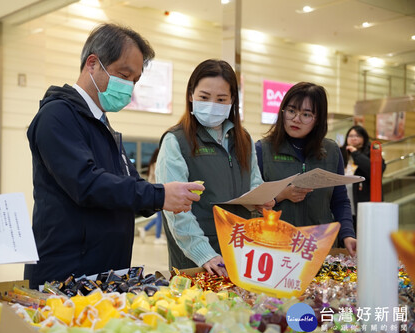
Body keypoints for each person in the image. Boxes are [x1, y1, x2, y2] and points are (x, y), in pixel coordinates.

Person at [24, 23, 204, 289]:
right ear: (92, 63)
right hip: (66, 275)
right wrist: (160, 195)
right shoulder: (57, 116)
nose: (129, 86)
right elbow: (86, 183)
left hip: (104, 273)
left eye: (135, 80)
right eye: (123, 74)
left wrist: (167, 194)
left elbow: (128, 184)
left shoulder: (104, 127)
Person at [155, 59, 274, 276]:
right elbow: (176, 211)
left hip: (242, 250)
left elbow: (255, 182)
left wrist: (263, 201)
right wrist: (205, 254)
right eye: (204, 97)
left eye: (221, 99)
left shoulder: (243, 139)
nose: (212, 105)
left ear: (232, 101)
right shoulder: (176, 141)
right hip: (198, 259)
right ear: (191, 95)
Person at [255, 82, 357, 256]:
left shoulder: (331, 151)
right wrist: (282, 194)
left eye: (306, 114)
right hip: (276, 248)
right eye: (291, 111)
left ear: (317, 120)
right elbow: (252, 202)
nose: (296, 119)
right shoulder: (262, 149)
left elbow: (340, 201)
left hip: (320, 247)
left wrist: (347, 234)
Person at [341, 125, 386, 229]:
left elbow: (376, 171)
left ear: (364, 138)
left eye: (357, 135)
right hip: (344, 204)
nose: (353, 138)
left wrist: (355, 153)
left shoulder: (372, 153)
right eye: (350, 135)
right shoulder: (341, 153)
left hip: (363, 205)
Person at [139, 148, 165, 244]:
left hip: (153, 190)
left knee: (159, 216)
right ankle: (157, 237)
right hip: (156, 191)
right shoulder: (156, 164)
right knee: (160, 216)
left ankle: (145, 229)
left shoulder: (152, 164)